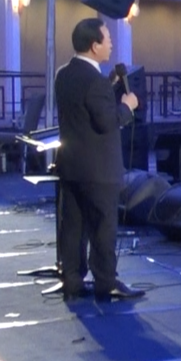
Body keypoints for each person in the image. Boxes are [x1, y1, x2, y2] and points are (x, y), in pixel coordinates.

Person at [54, 18, 141, 303]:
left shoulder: (63, 75)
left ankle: (72, 280)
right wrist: (127, 107)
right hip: (99, 169)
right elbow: (106, 122)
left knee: (73, 227)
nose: (111, 43)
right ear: (94, 46)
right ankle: (106, 281)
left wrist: (110, 84)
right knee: (103, 228)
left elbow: (85, 108)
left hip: (71, 165)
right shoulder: (95, 82)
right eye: (107, 39)